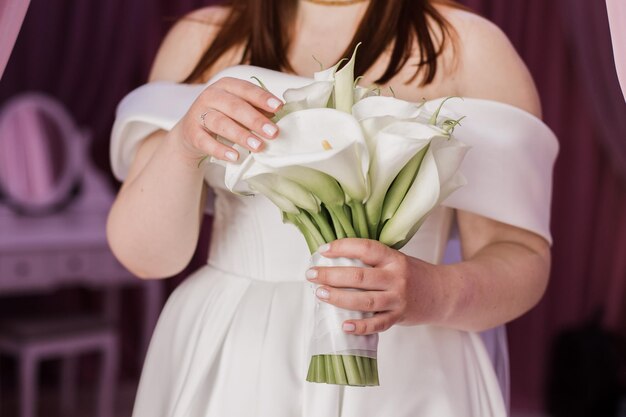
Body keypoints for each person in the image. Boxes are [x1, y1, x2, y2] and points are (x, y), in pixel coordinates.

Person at [106, 0, 557, 416]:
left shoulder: (469, 48)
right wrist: (184, 144)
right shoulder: (199, 39)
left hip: (409, 364)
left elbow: (520, 255)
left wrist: (432, 292)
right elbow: (146, 257)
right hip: (233, 348)